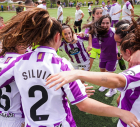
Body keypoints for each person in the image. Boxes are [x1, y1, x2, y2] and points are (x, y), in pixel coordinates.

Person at [0, 8, 139, 127]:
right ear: (57, 37)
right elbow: (83, 105)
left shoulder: (18, 62)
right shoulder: (60, 64)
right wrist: (121, 112)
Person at [83, 15, 118, 97]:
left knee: (109, 75)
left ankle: (113, 89)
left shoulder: (114, 31)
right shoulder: (98, 32)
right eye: (103, 23)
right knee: (102, 73)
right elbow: (88, 36)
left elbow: (122, 40)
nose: (105, 25)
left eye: (107, 23)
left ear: (110, 23)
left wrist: (122, 53)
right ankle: (105, 85)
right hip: (103, 56)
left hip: (112, 57)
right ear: (100, 23)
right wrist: (82, 35)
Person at [0, 34, 26, 127]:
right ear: (18, 45)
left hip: (2, 115)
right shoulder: (21, 62)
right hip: (18, 118)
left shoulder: (1, 59)